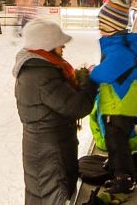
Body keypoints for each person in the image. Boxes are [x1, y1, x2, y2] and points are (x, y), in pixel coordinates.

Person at [13, 19, 98, 205]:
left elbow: (61, 94)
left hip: (48, 147)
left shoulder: (43, 68)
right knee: (51, 197)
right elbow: (78, 106)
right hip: (48, 152)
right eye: (60, 44)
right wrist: (90, 83)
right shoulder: (41, 74)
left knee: (46, 196)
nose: (63, 48)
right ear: (47, 45)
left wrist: (81, 77)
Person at [90, 0, 137, 196]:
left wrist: (92, 73)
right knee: (114, 140)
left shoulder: (119, 50)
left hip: (120, 105)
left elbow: (105, 73)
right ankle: (116, 167)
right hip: (118, 103)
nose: (100, 27)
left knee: (117, 141)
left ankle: (124, 177)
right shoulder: (119, 46)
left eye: (102, 23)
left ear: (112, 26)